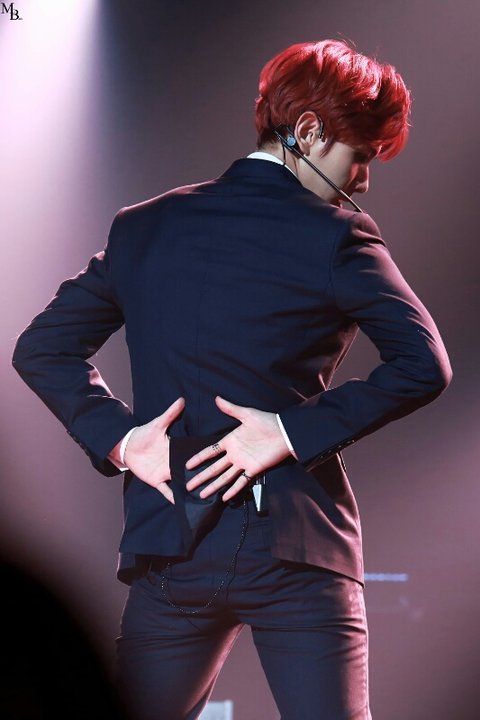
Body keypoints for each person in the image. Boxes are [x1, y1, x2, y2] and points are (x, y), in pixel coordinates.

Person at [12, 39, 452, 720]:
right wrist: (288, 432)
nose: (363, 179)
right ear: (309, 132)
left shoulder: (144, 227)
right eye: (360, 155)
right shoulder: (338, 235)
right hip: (295, 549)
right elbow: (425, 364)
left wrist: (123, 441)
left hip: (173, 541)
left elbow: (42, 348)